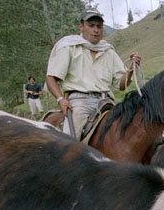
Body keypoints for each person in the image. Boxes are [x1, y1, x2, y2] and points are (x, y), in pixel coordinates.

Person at [46, 8, 141, 139]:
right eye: (91, 26)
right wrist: (60, 99)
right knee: (69, 140)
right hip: (79, 102)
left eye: (99, 26)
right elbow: (51, 77)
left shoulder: (108, 51)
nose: (96, 30)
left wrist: (131, 69)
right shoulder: (70, 47)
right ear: (81, 26)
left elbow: (121, 85)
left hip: (106, 101)